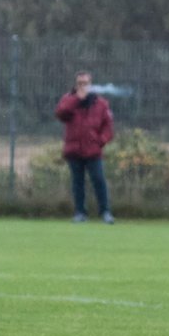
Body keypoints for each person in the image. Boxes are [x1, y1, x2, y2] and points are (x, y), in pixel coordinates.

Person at [55, 70, 115, 224]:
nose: (82, 86)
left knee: (98, 180)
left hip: (93, 150)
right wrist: (76, 99)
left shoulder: (101, 104)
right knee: (77, 183)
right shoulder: (68, 100)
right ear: (75, 85)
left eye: (85, 83)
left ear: (91, 84)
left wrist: (99, 141)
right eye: (80, 83)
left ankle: (105, 212)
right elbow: (61, 113)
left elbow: (108, 127)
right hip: (74, 150)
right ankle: (80, 213)